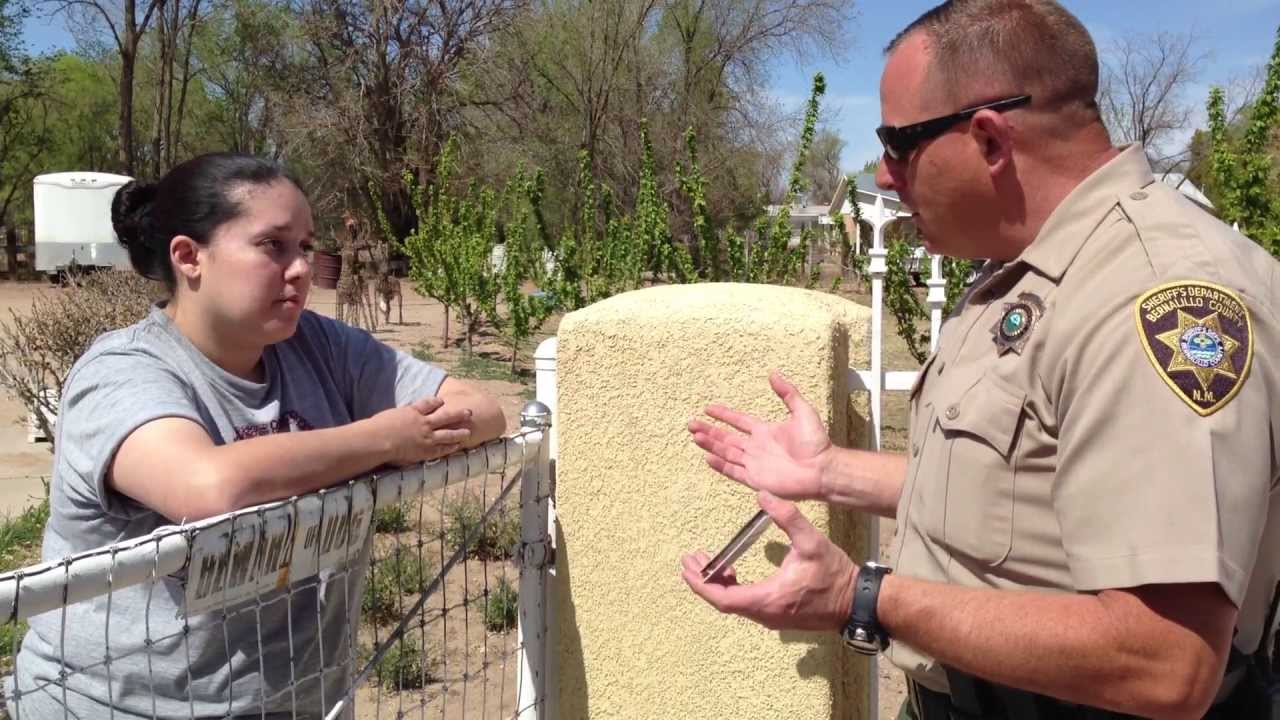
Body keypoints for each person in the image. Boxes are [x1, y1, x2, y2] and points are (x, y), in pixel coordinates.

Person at [681, 2, 1279, 718]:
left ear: (990, 138)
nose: (884, 175)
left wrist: (859, 596)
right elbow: (1010, 493)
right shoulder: (1030, 271)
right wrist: (826, 472)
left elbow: (1164, 661)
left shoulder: (1153, 296)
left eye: (897, 144)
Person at [8, 153, 506, 718]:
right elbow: (209, 488)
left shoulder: (320, 346)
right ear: (188, 257)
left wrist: (388, 440)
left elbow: (482, 410)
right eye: (273, 245)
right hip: (119, 705)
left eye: (305, 246)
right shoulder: (121, 372)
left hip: (297, 698)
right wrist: (386, 440)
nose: (301, 269)